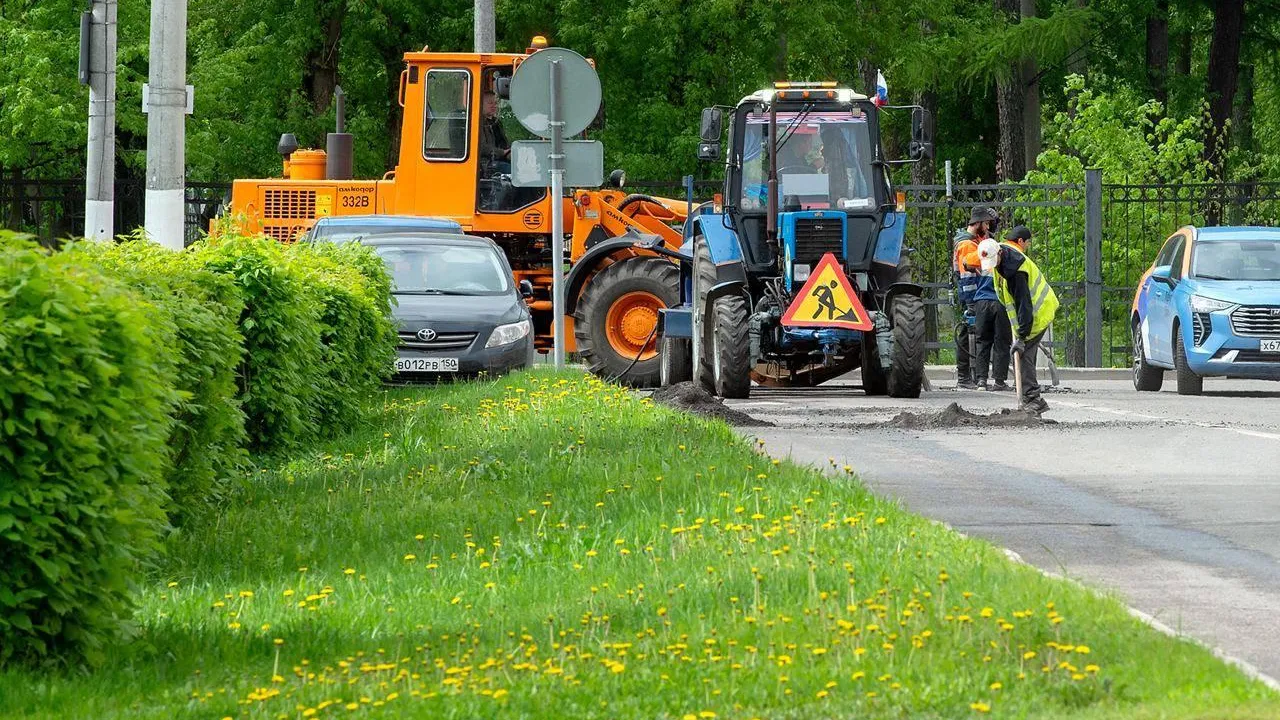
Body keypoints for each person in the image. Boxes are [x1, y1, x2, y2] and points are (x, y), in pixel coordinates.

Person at [978, 226, 1060, 414]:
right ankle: (1029, 398)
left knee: (1023, 356)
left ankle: (1033, 400)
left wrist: (1022, 337)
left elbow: (1025, 306)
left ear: (999, 253)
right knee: (1023, 355)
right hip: (1028, 315)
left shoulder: (1016, 272)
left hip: (1037, 314)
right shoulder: (997, 253)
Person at [952, 207, 999, 389]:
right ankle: (964, 377)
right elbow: (967, 278)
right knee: (967, 333)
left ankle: (968, 377)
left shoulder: (975, 241)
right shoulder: (966, 245)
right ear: (978, 223)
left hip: (976, 294)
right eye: (986, 224)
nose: (988, 228)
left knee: (972, 334)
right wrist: (971, 302)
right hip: (971, 295)